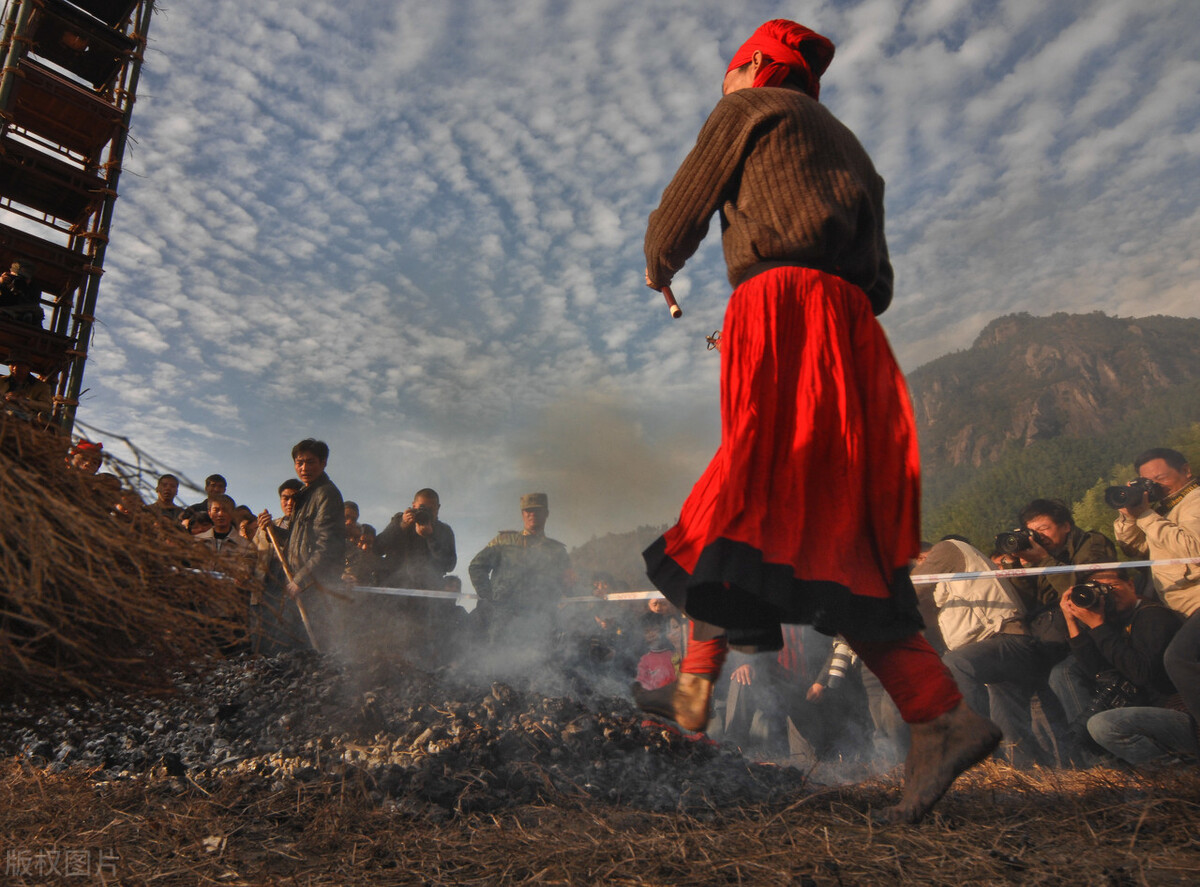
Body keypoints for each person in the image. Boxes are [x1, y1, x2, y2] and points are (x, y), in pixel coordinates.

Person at [633, 19, 999, 823]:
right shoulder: (854, 152)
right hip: (856, 331)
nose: (723, 87)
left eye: (730, 72)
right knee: (836, 529)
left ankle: (695, 695)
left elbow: (679, 213)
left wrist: (660, 269)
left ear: (758, 66)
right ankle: (939, 713)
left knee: (739, 500)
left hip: (781, 310)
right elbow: (886, 280)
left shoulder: (750, 108)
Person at [942, 499, 1115, 766]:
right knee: (1003, 682)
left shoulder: (1091, 544)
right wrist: (1017, 568)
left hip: (1087, 636)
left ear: (1066, 526)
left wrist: (1045, 561)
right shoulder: (1038, 557)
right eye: (1033, 532)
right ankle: (1024, 769)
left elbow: (1084, 595)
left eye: (1044, 529)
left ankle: (1092, 763)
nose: (1038, 537)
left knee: (1062, 676)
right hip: (1046, 638)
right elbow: (1026, 604)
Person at [1046, 569, 1191, 767]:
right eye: (1099, 590)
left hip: (1183, 715)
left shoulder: (1154, 616)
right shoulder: (1113, 622)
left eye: (1112, 587)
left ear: (1131, 585)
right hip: (1150, 712)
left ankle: (1177, 773)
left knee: (1103, 725)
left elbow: (1141, 674)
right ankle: (1107, 769)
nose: (1108, 595)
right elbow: (1097, 671)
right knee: (1065, 675)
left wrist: (1098, 626)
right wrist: (1072, 621)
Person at [1111, 448, 1200, 740]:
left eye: (1160, 478)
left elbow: (1193, 549)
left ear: (1186, 471)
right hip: (1180, 609)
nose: (1154, 486)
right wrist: (1129, 514)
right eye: (1146, 481)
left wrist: (1147, 515)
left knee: (1179, 659)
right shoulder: (1162, 511)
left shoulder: (1195, 501)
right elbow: (1135, 550)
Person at [256, 439, 345, 650]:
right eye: (299, 462)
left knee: (313, 646)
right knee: (292, 645)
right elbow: (297, 539)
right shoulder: (304, 496)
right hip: (297, 581)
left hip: (315, 586)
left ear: (323, 463)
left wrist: (302, 580)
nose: (304, 468)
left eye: (311, 462)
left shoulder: (326, 494)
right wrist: (272, 530)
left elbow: (328, 546)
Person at [468, 492, 572, 645]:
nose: (532, 514)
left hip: (539, 618)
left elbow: (568, 581)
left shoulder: (556, 550)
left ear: (546, 514)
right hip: (504, 616)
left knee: (538, 661)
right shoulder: (504, 542)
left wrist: (591, 592)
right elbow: (477, 566)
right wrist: (489, 597)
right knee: (500, 660)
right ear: (522, 514)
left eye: (537, 510)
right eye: (528, 511)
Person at [375, 488, 458, 590]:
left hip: (428, 592)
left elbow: (449, 565)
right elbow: (377, 548)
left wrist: (431, 538)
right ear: (413, 506)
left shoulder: (444, 531)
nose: (426, 512)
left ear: (438, 508)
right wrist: (401, 526)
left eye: (430, 509)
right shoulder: (400, 522)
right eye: (422, 508)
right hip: (397, 589)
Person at [0, 261, 43, 327]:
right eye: (17, 276)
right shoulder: (3, 281)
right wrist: (2, 283)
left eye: (24, 278)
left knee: (37, 310)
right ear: (11, 273)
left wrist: (22, 291)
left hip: (22, 313)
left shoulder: (33, 287)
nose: (20, 280)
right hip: (4, 310)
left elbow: (34, 306)